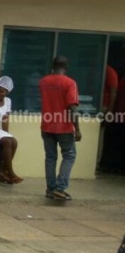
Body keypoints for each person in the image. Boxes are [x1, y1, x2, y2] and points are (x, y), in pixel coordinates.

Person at [39, 56, 81, 201]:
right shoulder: (70, 83)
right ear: (66, 67)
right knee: (69, 156)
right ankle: (60, 188)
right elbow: (73, 109)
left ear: (53, 66)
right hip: (64, 128)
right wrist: (78, 129)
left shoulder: (43, 82)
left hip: (46, 125)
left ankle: (50, 189)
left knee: (50, 158)